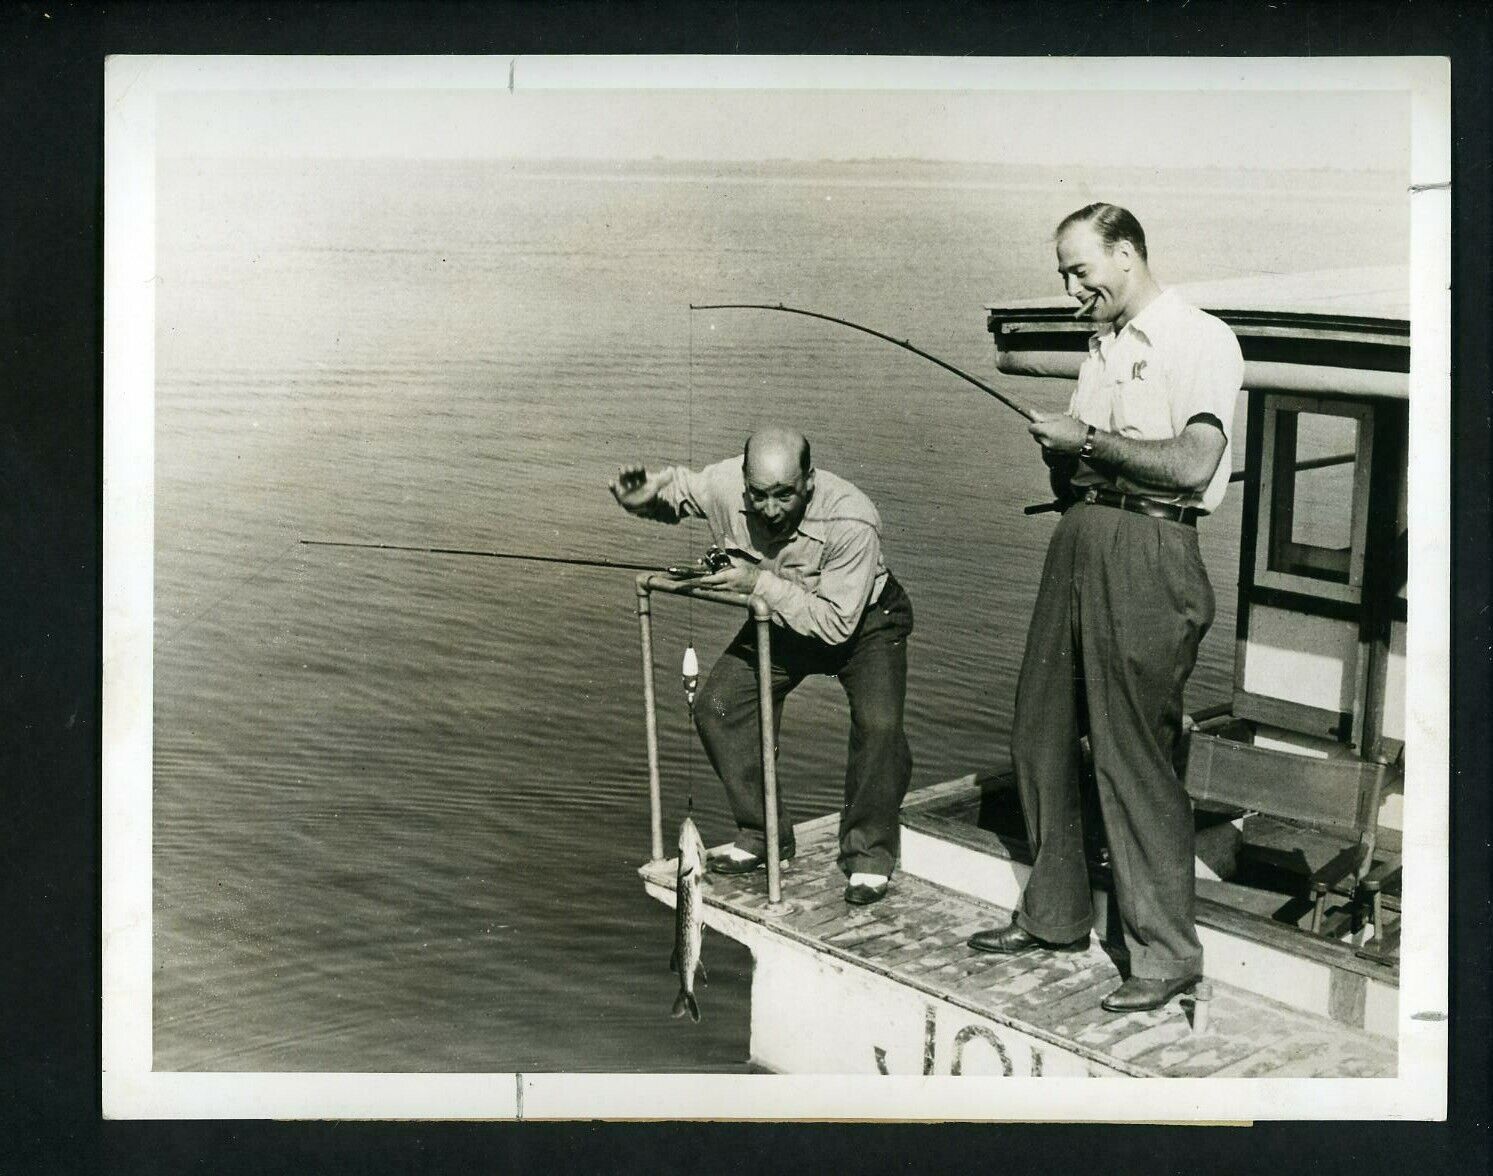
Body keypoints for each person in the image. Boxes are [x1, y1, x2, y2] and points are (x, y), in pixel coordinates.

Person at [967, 203, 1244, 1013]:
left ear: (1125, 255)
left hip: (1153, 549)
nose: (1068, 288)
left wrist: (1086, 444)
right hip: (1082, 539)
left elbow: (1193, 466)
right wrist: (1064, 457)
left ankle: (1165, 956)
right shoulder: (1103, 347)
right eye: (1062, 273)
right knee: (1039, 726)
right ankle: (1053, 915)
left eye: (1078, 270)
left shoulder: (1199, 338)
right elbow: (1086, 467)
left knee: (1131, 751)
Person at [609, 427, 914, 906]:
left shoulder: (853, 518)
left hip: (863, 622)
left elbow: (836, 625)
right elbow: (679, 491)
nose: (770, 509)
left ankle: (869, 854)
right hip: (783, 615)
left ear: (809, 483)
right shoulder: (725, 483)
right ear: (744, 480)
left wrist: (756, 582)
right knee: (719, 707)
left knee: (879, 727)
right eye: (759, 495)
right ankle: (764, 833)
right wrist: (643, 500)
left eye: (784, 495)